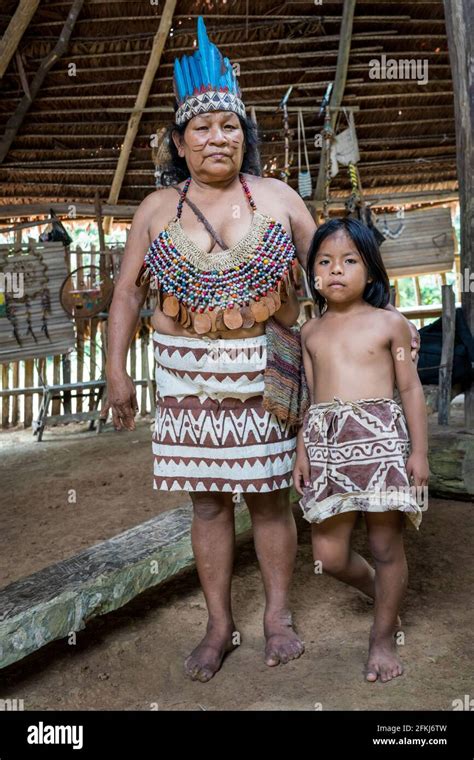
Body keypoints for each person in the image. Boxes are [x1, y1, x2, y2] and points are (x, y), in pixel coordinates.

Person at [104, 18, 421, 683]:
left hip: (264, 374)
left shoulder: (277, 198)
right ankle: (219, 623)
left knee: (271, 497)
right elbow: (129, 296)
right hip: (185, 378)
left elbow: (336, 261)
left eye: (230, 127)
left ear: (245, 137)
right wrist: (116, 372)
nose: (218, 137)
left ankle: (278, 615)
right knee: (208, 501)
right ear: (179, 141)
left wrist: (377, 319)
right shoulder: (157, 209)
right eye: (203, 128)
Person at [293, 217, 429, 683]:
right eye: (325, 262)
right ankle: (382, 593)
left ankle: (382, 637)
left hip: (383, 447)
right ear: (313, 273)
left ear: (370, 271)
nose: (336, 270)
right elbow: (310, 402)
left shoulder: (390, 324)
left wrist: (420, 453)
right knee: (328, 554)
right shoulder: (309, 333)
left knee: (384, 543)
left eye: (350, 261)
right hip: (328, 448)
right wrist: (302, 451)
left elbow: (410, 390)